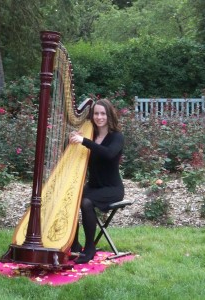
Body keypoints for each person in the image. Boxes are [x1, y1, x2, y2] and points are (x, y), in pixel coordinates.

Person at [69, 98, 124, 264]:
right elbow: (77, 150)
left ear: (109, 115)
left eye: (103, 113)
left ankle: (90, 248)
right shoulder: (90, 134)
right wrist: (72, 139)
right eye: (96, 113)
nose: (99, 117)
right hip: (93, 186)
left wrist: (85, 142)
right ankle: (73, 244)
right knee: (70, 198)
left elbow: (108, 154)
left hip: (112, 188)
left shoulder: (117, 137)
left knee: (86, 202)